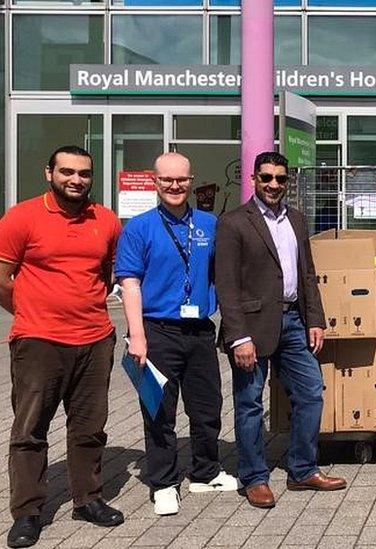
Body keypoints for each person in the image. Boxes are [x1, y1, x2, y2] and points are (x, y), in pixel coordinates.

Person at [0, 146, 124, 548]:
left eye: (84, 173)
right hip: (38, 342)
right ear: (48, 173)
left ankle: (87, 499)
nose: (76, 180)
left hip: (94, 338)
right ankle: (28, 512)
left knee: (89, 428)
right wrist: (30, 313)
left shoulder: (104, 220)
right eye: (67, 172)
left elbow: (105, 276)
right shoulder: (21, 217)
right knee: (29, 430)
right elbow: (3, 277)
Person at [214, 151, 346, 509]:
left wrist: (315, 319)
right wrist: (237, 336)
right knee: (249, 403)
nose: (274, 184)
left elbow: (307, 274)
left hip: (294, 322)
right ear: (254, 180)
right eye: (267, 177)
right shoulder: (233, 223)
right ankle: (254, 477)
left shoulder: (298, 220)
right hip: (251, 327)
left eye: (281, 179)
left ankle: (303, 468)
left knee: (311, 392)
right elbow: (226, 285)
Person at [115, 152, 239, 517]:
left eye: (181, 179)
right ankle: (164, 483)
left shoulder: (208, 223)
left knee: (207, 408)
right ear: (155, 181)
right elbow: (130, 283)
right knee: (158, 411)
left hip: (200, 331)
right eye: (167, 179)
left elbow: (223, 274)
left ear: (191, 180)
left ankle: (205, 472)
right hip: (157, 331)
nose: (174, 186)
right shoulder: (138, 228)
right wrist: (136, 336)